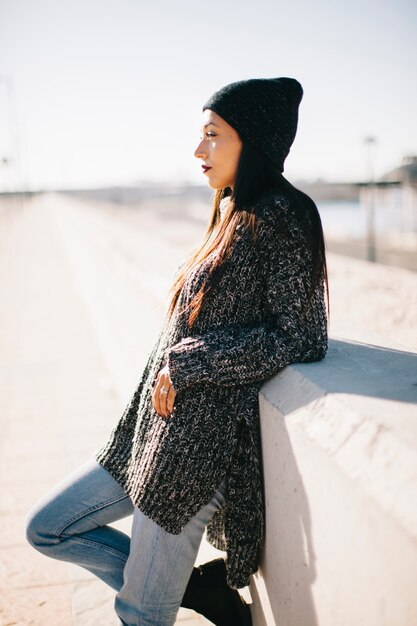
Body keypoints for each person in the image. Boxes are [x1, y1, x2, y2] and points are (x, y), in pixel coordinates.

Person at [25, 76, 329, 626]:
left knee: (141, 613)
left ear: (252, 141)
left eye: (213, 135)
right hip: (146, 436)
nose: (199, 150)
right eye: (202, 135)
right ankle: (193, 588)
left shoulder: (285, 215)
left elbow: (301, 337)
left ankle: (170, 588)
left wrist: (189, 362)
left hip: (195, 457)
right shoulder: (232, 209)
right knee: (47, 527)